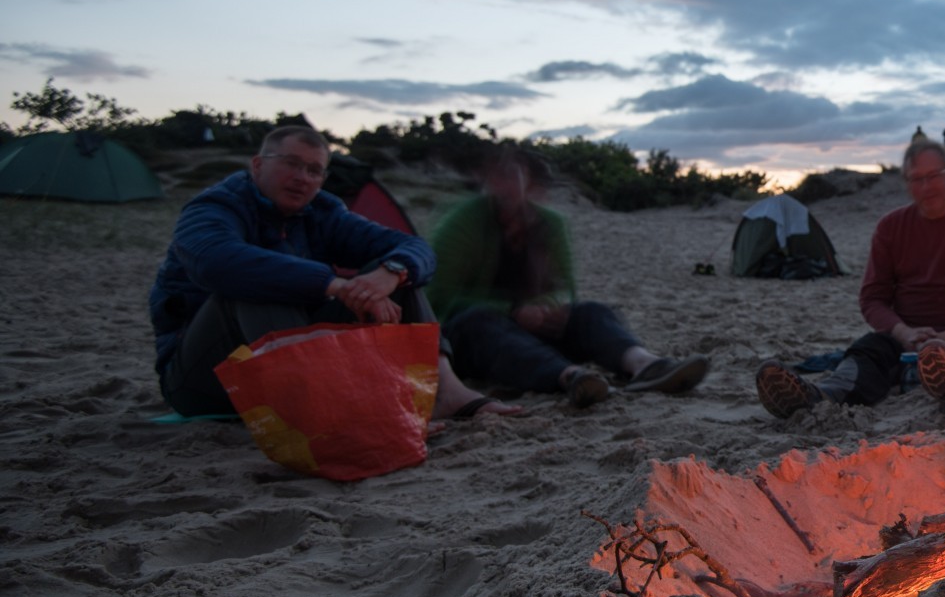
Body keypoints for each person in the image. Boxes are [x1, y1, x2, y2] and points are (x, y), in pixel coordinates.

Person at [149, 125, 516, 421]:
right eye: (291, 164)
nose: (302, 178)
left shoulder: (322, 214)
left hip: (300, 371)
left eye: (313, 170)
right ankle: (327, 412)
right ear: (258, 165)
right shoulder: (214, 208)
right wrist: (332, 283)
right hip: (202, 381)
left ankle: (444, 392)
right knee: (251, 283)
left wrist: (390, 274)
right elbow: (217, 260)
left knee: (399, 277)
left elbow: (415, 247)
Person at [756, 136, 945, 417]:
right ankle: (816, 398)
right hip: (904, 335)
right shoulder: (891, 227)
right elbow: (872, 299)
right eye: (917, 179)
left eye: (934, 176)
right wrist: (904, 332)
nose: (926, 187)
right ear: (907, 184)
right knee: (866, 353)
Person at [427, 150, 709, 407]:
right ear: (488, 182)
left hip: (535, 329)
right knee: (479, 323)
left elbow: (565, 287)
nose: (509, 187)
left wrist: (550, 305)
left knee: (591, 312)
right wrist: (513, 311)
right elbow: (438, 297)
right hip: (473, 336)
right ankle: (571, 376)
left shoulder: (550, 223)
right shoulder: (463, 223)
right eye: (500, 178)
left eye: (517, 177)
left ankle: (645, 364)